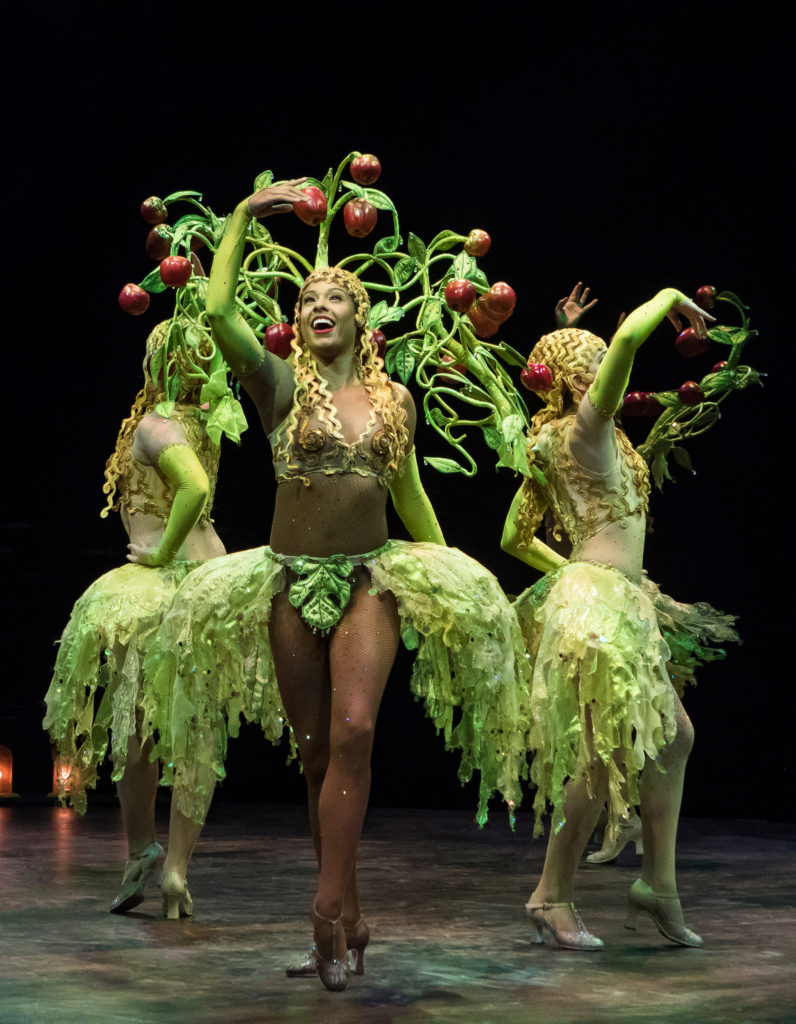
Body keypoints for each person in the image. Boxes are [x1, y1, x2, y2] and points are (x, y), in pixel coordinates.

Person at [145, 179, 530, 991]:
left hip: (368, 582)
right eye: (309, 297)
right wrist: (246, 217)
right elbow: (216, 316)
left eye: (334, 298)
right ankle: (350, 922)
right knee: (316, 756)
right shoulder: (281, 388)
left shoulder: (397, 399)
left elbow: (412, 494)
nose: (320, 305)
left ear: (360, 318)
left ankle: (324, 905)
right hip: (288, 581)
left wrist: (455, 575)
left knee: (354, 730)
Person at [501, 287, 735, 950]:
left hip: (608, 597)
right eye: (597, 361)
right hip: (601, 603)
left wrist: (573, 577)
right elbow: (630, 342)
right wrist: (669, 298)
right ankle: (551, 895)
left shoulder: (562, 438)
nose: (612, 367)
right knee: (603, 759)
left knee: (671, 737)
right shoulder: (586, 427)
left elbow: (514, 538)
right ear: (582, 378)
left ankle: (656, 888)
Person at [44, 318, 242, 918]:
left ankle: (145, 851)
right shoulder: (199, 423)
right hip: (209, 586)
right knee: (189, 729)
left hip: (164, 588)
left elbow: (195, 488)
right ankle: (173, 867)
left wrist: (160, 552)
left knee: (142, 729)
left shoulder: (157, 427)